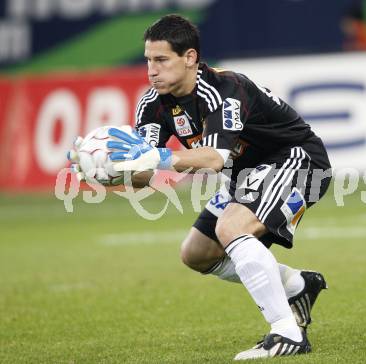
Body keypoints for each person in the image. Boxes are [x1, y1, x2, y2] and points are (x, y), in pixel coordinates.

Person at [72, 14, 332, 360]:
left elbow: (212, 160)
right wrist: (107, 169)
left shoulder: (225, 89)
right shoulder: (152, 104)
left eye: (162, 60)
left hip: (297, 160)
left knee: (231, 227)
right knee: (196, 253)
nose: (152, 70)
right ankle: (299, 285)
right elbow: (146, 176)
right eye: (149, 60)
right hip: (248, 174)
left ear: (190, 57)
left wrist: (154, 156)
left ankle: (286, 333)